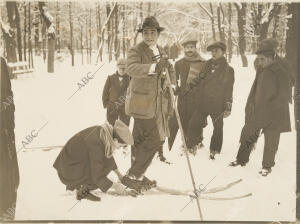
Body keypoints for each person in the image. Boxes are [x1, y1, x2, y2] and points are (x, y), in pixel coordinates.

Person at [122, 16, 176, 191]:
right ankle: (134, 175)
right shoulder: (136, 50)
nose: (149, 36)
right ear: (141, 34)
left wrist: (172, 83)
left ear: (158, 34)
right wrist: (153, 68)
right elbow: (131, 68)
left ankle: (136, 174)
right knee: (153, 140)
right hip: (141, 102)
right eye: (146, 32)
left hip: (157, 104)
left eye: (153, 32)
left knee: (140, 141)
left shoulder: (160, 50)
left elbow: (168, 68)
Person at [229, 40, 291, 176]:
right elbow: (256, 88)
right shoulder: (262, 69)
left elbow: (285, 95)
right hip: (258, 109)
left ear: (271, 58)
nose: (259, 62)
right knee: (248, 133)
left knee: (271, 140)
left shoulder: (280, 72)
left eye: (262, 59)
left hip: (275, 112)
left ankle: (267, 166)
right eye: (258, 59)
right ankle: (241, 160)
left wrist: (271, 107)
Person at [53, 119, 137, 201]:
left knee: (104, 166)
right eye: (121, 146)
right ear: (115, 140)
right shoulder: (96, 144)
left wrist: (120, 175)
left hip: (71, 163)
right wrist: (115, 186)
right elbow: (97, 176)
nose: (119, 148)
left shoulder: (103, 133)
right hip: (68, 170)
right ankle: (76, 186)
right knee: (98, 176)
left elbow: (107, 155)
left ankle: (80, 184)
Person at [187, 41, 234, 160]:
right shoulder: (207, 65)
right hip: (203, 102)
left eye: (216, 51)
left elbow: (229, 90)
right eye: (212, 51)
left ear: (223, 52)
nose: (213, 53)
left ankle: (215, 149)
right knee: (193, 123)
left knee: (218, 128)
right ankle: (192, 145)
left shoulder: (228, 70)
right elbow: (200, 78)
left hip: (217, 104)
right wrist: (192, 85)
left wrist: (228, 107)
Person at [168, 33, 206, 155]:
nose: (189, 50)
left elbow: (206, 80)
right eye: (187, 48)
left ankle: (195, 142)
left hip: (198, 97)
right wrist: (175, 88)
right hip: (183, 97)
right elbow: (175, 80)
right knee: (183, 119)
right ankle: (186, 141)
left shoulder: (203, 63)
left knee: (195, 120)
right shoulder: (179, 64)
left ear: (196, 48)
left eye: (192, 47)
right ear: (184, 49)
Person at [0, 56, 19, 220]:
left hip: (2, 130)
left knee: (6, 170)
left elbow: (7, 96)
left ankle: (6, 209)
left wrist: (8, 126)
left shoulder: (0, 64)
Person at [102, 58, 130, 126]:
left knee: (124, 129)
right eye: (120, 68)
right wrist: (106, 104)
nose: (122, 70)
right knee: (111, 128)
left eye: (124, 68)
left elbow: (133, 93)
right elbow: (105, 92)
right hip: (112, 108)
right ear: (117, 67)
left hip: (125, 109)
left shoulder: (130, 79)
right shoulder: (110, 78)